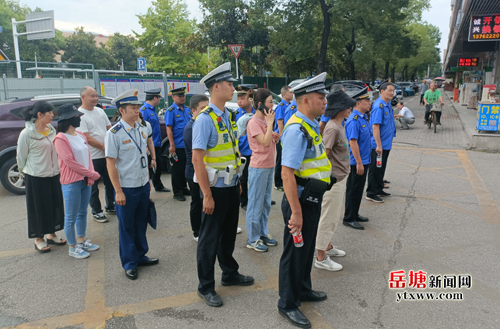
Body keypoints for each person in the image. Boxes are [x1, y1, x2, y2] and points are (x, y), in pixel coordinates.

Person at [193, 62, 254, 308]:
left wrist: (237, 182)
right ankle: (206, 286)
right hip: (214, 189)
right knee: (209, 238)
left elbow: (232, 151)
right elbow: (197, 158)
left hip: (230, 186)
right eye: (229, 84)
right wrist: (206, 194)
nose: (233, 89)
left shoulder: (228, 116)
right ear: (216, 87)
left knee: (228, 234)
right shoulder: (204, 119)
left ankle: (229, 273)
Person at [278, 73, 332, 329]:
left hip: (310, 197)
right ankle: (287, 303)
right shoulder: (296, 129)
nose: (325, 102)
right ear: (306, 100)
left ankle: (303, 289)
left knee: (307, 248)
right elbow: (287, 173)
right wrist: (295, 213)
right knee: (294, 252)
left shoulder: (309, 124)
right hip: (298, 200)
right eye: (321, 98)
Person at [105, 90, 159, 280]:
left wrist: (148, 181)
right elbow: (110, 164)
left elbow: (142, 156)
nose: (137, 111)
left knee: (140, 222)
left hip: (143, 184)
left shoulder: (142, 128)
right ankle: (129, 263)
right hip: (126, 187)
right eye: (133, 108)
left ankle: (140, 255)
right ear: (121, 110)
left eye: (138, 107)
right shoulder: (114, 134)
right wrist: (118, 191)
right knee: (126, 226)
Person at [315, 90, 356, 271]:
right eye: (347, 106)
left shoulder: (339, 125)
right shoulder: (332, 127)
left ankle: (327, 246)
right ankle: (321, 257)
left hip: (340, 178)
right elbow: (325, 154)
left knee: (332, 216)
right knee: (328, 218)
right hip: (332, 180)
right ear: (339, 108)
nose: (350, 108)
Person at [16, 101, 66, 253]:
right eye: (50, 113)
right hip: (36, 177)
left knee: (54, 204)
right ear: (40, 115)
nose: (53, 115)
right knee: (38, 208)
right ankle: (39, 238)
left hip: (53, 175)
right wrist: (23, 172)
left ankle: (52, 234)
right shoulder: (26, 134)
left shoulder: (51, 130)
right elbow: (21, 157)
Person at [53, 104, 101, 259]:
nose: (79, 119)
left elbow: (88, 157)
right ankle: (72, 247)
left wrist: (90, 175)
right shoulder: (60, 138)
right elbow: (69, 161)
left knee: (82, 212)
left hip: (85, 179)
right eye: (75, 117)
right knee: (71, 216)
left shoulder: (80, 134)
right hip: (71, 182)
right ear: (66, 119)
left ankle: (81, 240)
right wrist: (91, 174)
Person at [245, 88, 280, 252]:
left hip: (268, 165)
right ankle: (252, 238)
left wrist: (274, 135)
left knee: (265, 203)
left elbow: (268, 140)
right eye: (270, 102)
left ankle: (262, 233)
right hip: (258, 167)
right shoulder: (253, 122)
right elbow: (264, 143)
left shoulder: (265, 121)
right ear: (260, 105)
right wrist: (271, 125)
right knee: (255, 203)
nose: (272, 105)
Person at [77, 86, 114, 223]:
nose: (95, 98)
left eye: (96, 96)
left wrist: (112, 145)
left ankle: (111, 205)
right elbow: (87, 138)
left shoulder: (99, 111)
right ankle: (97, 211)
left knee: (110, 182)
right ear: (83, 97)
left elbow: (109, 129)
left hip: (107, 155)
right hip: (92, 156)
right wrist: (105, 147)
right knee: (93, 186)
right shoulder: (80, 115)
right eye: (92, 96)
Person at [343, 88, 373, 230]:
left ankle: (355, 213)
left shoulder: (362, 118)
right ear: (358, 103)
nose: (369, 103)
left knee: (359, 189)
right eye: (367, 101)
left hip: (364, 160)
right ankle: (349, 217)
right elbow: (353, 142)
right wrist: (359, 163)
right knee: (353, 190)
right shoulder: (354, 120)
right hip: (357, 162)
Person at [184, 94, 209, 242]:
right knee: (197, 202)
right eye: (202, 108)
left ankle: (207, 228)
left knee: (206, 201)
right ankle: (197, 231)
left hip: (205, 170)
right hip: (193, 171)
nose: (206, 111)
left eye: (208, 107)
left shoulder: (205, 123)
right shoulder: (190, 128)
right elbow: (197, 156)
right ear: (193, 110)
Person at [365, 82, 396, 203]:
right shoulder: (379, 106)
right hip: (379, 145)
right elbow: (375, 127)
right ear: (382, 91)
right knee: (375, 168)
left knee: (381, 167)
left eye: (393, 90)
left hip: (386, 143)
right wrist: (378, 145)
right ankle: (371, 192)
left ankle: (378, 188)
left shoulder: (387, 105)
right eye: (389, 90)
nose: (392, 93)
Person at [141, 88, 170, 192]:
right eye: (159, 98)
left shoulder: (152, 110)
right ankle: (152, 187)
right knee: (150, 167)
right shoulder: (144, 111)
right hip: (150, 145)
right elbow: (142, 130)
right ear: (154, 98)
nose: (159, 100)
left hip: (156, 143)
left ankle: (158, 185)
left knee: (158, 165)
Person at [165, 87, 191, 201]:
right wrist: (172, 145)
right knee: (177, 170)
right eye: (179, 96)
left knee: (186, 167)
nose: (182, 98)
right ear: (173, 97)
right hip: (178, 145)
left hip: (188, 145)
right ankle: (177, 191)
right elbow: (169, 129)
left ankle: (184, 187)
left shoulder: (187, 110)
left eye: (183, 95)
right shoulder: (171, 111)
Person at [235, 85, 256, 210]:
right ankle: (244, 201)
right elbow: (234, 135)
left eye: (243, 97)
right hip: (242, 151)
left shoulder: (257, 113)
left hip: (255, 151)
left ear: (251, 99)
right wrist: (237, 150)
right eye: (238, 97)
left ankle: (255, 199)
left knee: (255, 177)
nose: (239, 100)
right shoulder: (236, 114)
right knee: (243, 178)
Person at [273, 86, 294, 191]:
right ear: (284, 94)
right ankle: (277, 183)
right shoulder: (281, 106)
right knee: (280, 160)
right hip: (281, 137)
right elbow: (280, 122)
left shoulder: (290, 105)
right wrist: (282, 137)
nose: (292, 94)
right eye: (290, 93)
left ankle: (283, 181)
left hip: (287, 136)